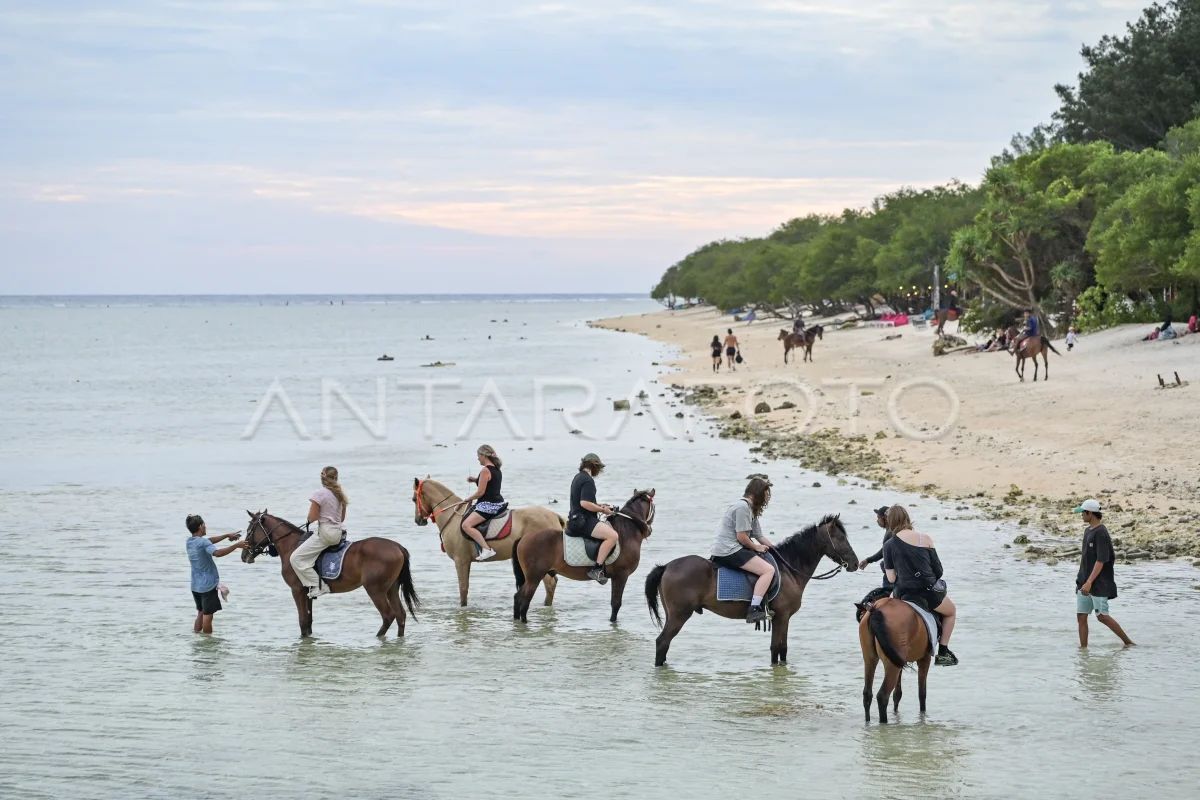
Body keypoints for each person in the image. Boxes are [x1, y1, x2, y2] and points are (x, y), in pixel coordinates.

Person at [882, 505, 958, 666]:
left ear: (890, 522)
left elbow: (890, 577)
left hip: (903, 593)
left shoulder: (888, 545)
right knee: (951, 612)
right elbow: (939, 570)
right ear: (907, 519)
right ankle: (943, 652)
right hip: (927, 592)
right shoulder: (925, 539)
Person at [710, 476, 776, 624]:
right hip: (729, 550)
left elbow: (759, 536)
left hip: (734, 547)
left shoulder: (750, 509)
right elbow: (742, 537)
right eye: (765, 496)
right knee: (768, 570)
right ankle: (753, 609)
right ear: (757, 493)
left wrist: (776, 550)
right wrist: (756, 547)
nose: (766, 499)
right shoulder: (742, 508)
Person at [1074, 498, 1134, 648]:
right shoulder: (1088, 530)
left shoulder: (1101, 532)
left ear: (1090, 513)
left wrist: (1090, 582)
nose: (1081, 515)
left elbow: (1101, 560)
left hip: (1098, 583)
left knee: (1102, 616)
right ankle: (1083, 651)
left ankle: (1128, 643)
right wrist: (1083, 580)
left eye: (1083, 513)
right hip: (1084, 581)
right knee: (1081, 616)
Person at [291, 466, 348, 599]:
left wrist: (310, 520)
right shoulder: (340, 494)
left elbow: (312, 517)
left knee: (296, 558)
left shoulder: (319, 493)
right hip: (338, 532)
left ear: (322, 477)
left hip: (326, 533)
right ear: (336, 477)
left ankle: (319, 586)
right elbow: (342, 518)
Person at [185, 515, 245, 634]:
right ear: (200, 526)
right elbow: (217, 553)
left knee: (201, 612)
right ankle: (208, 644)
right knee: (208, 616)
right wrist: (236, 546)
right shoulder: (203, 542)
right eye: (204, 524)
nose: (206, 526)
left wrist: (226, 535)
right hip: (207, 586)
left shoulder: (190, 542)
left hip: (195, 586)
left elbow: (209, 540)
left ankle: (197, 636)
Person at [566, 453, 618, 583]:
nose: (598, 472)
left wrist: (600, 505)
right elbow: (584, 503)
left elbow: (583, 502)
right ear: (593, 466)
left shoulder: (578, 477)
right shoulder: (588, 480)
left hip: (575, 518)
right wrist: (603, 510)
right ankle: (597, 569)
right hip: (583, 521)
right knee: (613, 536)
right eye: (598, 468)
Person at [461, 444, 505, 561]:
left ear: (483, 455)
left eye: (478, 456)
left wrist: (468, 499)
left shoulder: (485, 470)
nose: (477, 458)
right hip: (498, 503)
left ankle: (487, 549)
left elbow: (480, 493)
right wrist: (476, 480)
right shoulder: (496, 469)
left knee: (466, 525)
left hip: (488, 505)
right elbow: (491, 484)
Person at [857, 505, 895, 598]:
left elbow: (884, 551)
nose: (877, 520)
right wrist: (868, 560)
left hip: (891, 574)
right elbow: (884, 551)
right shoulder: (892, 530)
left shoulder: (890, 532)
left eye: (878, 518)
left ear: (885, 518)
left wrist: (868, 560)